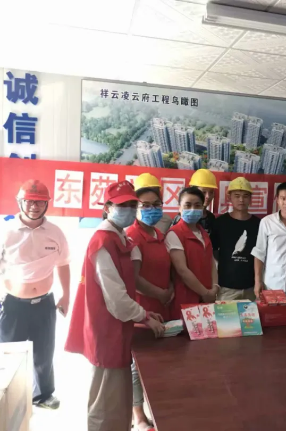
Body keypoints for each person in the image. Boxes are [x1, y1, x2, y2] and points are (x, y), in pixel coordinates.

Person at [65, 180, 165, 431]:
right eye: (122, 205)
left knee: (117, 400)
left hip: (116, 328)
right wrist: (144, 316)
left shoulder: (118, 236)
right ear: (107, 207)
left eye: (132, 205)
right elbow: (116, 298)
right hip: (106, 329)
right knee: (106, 403)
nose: (129, 210)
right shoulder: (103, 241)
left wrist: (143, 314)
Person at [0, 179, 70, 410]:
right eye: (29, 201)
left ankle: (42, 396)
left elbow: (63, 264)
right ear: (19, 202)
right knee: (7, 353)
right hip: (12, 304)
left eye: (40, 201)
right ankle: (4, 396)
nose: (34, 205)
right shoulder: (6, 231)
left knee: (44, 352)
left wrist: (66, 295)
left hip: (44, 303)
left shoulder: (55, 232)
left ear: (47, 204)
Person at [126, 174, 173, 431]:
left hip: (162, 306)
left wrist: (170, 289)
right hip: (142, 309)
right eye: (146, 205)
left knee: (158, 362)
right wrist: (160, 294)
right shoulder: (131, 235)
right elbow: (134, 280)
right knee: (138, 366)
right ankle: (139, 416)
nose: (152, 209)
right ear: (135, 207)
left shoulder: (159, 234)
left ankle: (157, 408)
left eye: (156, 204)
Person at [166, 186, 219, 320]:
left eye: (197, 205)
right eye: (188, 205)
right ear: (179, 208)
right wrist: (205, 293)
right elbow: (182, 270)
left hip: (207, 298)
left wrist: (215, 287)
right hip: (186, 299)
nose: (193, 209)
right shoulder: (174, 233)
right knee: (186, 332)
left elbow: (211, 261)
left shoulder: (203, 232)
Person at [211, 177, 260, 301]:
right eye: (237, 196)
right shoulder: (220, 223)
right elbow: (214, 250)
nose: (241, 200)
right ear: (229, 198)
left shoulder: (259, 224)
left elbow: (261, 254)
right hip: (226, 288)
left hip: (252, 288)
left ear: (250, 198)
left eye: (245, 196)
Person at [171, 169, 217, 236]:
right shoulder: (183, 217)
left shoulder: (211, 218)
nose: (208, 196)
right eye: (204, 192)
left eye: (211, 192)